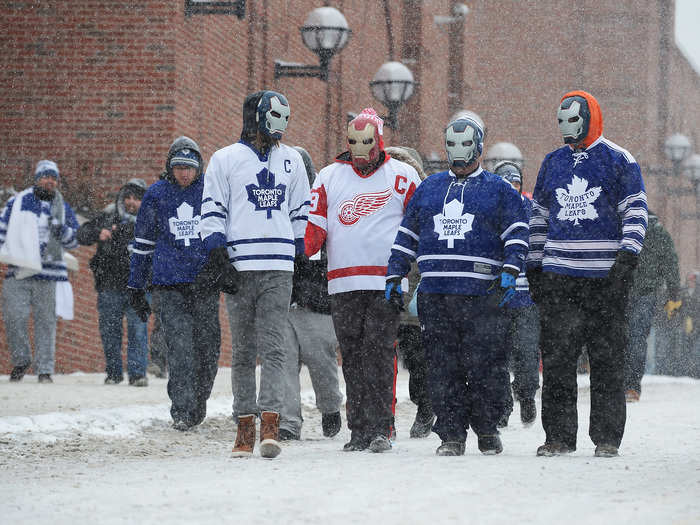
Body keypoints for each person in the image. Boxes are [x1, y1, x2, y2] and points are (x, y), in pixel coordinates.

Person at [386, 117, 529, 456]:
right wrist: (395, 273)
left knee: (485, 364)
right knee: (442, 365)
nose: (459, 154)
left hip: (481, 294)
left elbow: (518, 232)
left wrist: (510, 269)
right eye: (452, 146)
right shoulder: (431, 188)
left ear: (479, 147)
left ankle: (487, 428)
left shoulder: (498, 190)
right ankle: (451, 433)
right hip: (436, 294)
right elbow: (407, 235)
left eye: (466, 146)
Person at [526, 90, 647, 458]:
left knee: (607, 361)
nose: (567, 128)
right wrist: (534, 265)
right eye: (561, 121)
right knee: (559, 361)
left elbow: (636, 213)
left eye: (574, 120)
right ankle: (559, 437)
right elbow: (539, 217)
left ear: (590, 118)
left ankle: (607, 438)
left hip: (605, 280)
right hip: (560, 278)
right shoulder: (552, 162)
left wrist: (626, 260)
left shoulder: (619, 160)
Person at [199, 90, 310, 459]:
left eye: (286, 118)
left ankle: (271, 424)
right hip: (239, 267)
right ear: (257, 117)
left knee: (275, 349)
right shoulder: (225, 159)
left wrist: (303, 256)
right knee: (244, 351)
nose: (281, 125)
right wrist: (216, 254)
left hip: (279, 267)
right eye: (274, 116)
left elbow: (301, 212)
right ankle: (244, 425)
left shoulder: (292, 160)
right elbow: (211, 207)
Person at [305, 108, 422, 453]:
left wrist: (421, 260)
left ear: (378, 140)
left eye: (366, 142)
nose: (360, 149)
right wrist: (308, 250)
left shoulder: (401, 175)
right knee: (353, 355)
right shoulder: (329, 176)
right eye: (353, 142)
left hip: (387, 280)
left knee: (380, 351)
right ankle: (358, 428)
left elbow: (418, 220)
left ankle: (381, 427)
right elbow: (316, 222)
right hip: (343, 282)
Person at [128, 136, 221, 431]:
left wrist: (225, 268)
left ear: (199, 168)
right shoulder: (156, 194)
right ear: (170, 167)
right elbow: (142, 243)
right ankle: (181, 409)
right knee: (179, 347)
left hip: (204, 282)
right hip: (168, 283)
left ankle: (198, 402)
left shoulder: (210, 190)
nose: (184, 173)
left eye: (189, 167)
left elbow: (224, 230)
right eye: (179, 166)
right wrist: (136, 286)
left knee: (208, 347)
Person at [278, 146, 343, 441]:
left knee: (322, 362)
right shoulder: (277, 202)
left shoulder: (325, 204)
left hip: (316, 300)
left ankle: (330, 407)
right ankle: (289, 422)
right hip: (283, 298)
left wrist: (306, 265)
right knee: (285, 364)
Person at [0, 160, 79, 383]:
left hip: (49, 274)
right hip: (18, 271)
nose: (50, 181)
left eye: (53, 177)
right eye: (45, 176)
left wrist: (61, 230)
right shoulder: (17, 202)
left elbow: (75, 241)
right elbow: (2, 231)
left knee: (46, 322)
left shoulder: (62, 207)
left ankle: (45, 369)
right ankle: (21, 360)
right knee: (14, 317)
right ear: (36, 179)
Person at [77, 178, 150, 386]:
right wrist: (98, 232)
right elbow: (82, 234)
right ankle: (114, 373)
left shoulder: (152, 221)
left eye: (136, 198)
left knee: (138, 330)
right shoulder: (108, 216)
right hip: (109, 285)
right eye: (127, 197)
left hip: (139, 286)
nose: (131, 202)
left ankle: (137, 374)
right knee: (110, 331)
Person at [384, 146, 435, 439]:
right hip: (387, 287)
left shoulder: (427, 201)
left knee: (417, 359)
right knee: (384, 355)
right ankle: (384, 414)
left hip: (416, 290)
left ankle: (425, 406)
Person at [492, 160, 540, 428]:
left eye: (516, 184)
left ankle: (526, 392)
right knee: (496, 355)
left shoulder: (532, 211)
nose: (512, 189)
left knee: (526, 350)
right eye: (506, 184)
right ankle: (502, 405)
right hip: (496, 296)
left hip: (526, 298)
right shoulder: (488, 211)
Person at [624, 210, 680, 401]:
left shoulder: (626, 227)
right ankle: (632, 386)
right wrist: (673, 290)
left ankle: (617, 382)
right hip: (646, 293)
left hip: (622, 290)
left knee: (619, 336)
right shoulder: (659, 232)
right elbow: (671, 263)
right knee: (637, 337)